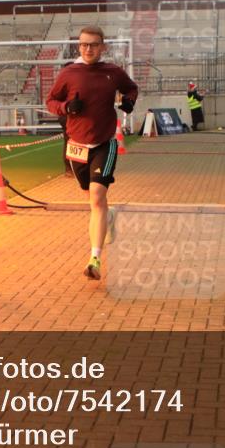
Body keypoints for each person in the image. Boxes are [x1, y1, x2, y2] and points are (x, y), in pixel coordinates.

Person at [46, 25, 138, 281]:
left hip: (104, 143)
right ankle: (108, 217)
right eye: (84, 44)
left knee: (97, 196)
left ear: (103, 47)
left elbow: (131, 88)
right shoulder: (68, 73)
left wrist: (129, 102)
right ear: (79, 46)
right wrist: (66, 107)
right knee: (93, 201)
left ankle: (94, 259)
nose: (88, 49)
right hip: (76, 145)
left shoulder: (113, 72)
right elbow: (50, 101)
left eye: (94, 45)